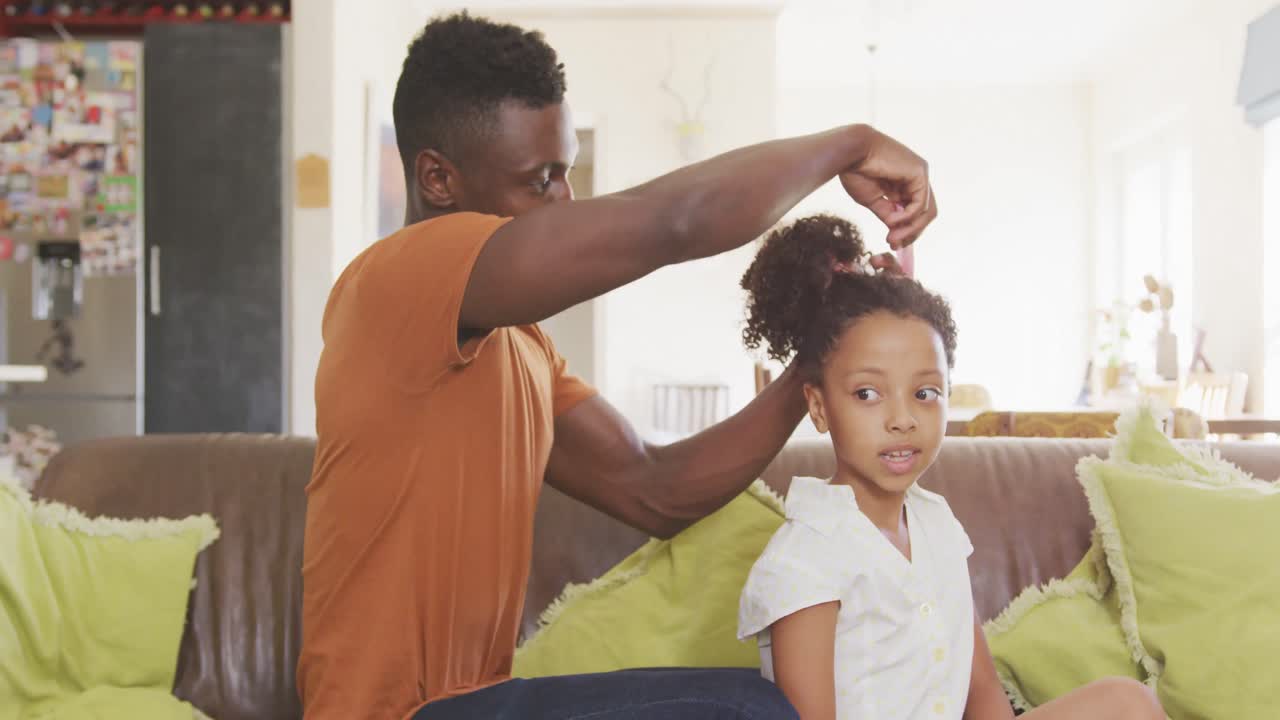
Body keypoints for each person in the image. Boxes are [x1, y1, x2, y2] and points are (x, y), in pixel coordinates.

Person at [297, 11, 937, 720]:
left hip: (475, 704)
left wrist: (808, 368)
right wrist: (851, 144)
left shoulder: (521, 347)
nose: (566, 201)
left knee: (758, 700)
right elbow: (674, 222)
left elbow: (655, 490)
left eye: (565, 172)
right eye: (541, 181)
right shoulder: (396, 281)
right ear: (438, 180)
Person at [735, 215, 1165, 720]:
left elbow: (981, 689)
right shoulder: (806, 558)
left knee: (1125, 701)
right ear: (820, 406)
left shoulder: (936, 522)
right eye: (867, 394)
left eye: (925, 393)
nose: (902, 419)